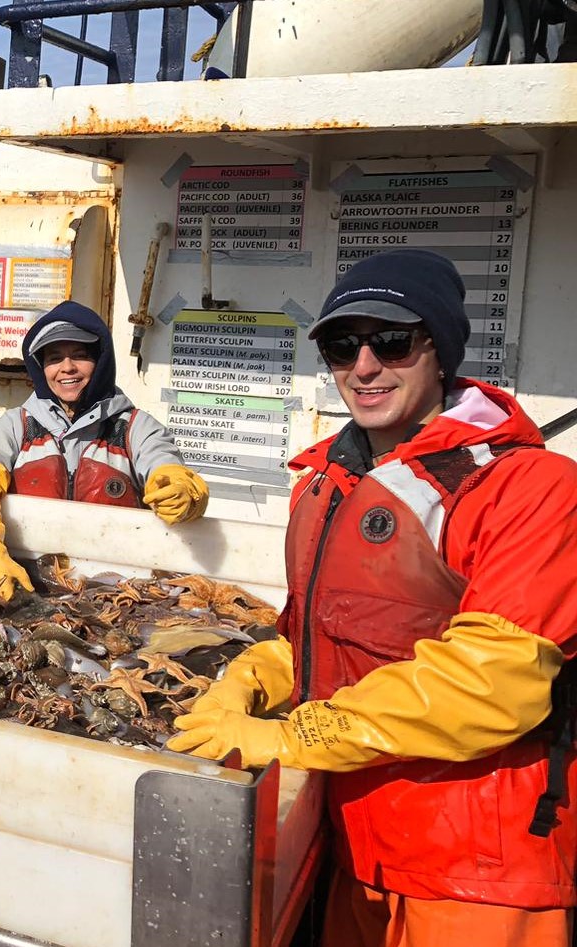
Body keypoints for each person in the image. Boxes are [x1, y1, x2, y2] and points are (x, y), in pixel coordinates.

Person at [168, 249, 577, 947]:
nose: (363, 366)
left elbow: (494, 682)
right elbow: (316, 635)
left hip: (476, 871)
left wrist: (293, 736)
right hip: (350, 846)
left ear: (440, 350)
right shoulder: (324, 481)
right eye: (340, 345)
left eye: (391, 341)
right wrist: (251, 677)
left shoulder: (531, 488)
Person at [0, 300, 209, 601]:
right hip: (27, 584)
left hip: (117, 594)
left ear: (101, 361)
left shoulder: (135, 427)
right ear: (41, 367)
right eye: (54, 358)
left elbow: (165, 465)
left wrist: (181, 490)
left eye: (80, 355)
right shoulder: (16, 426)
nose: (67, 367)